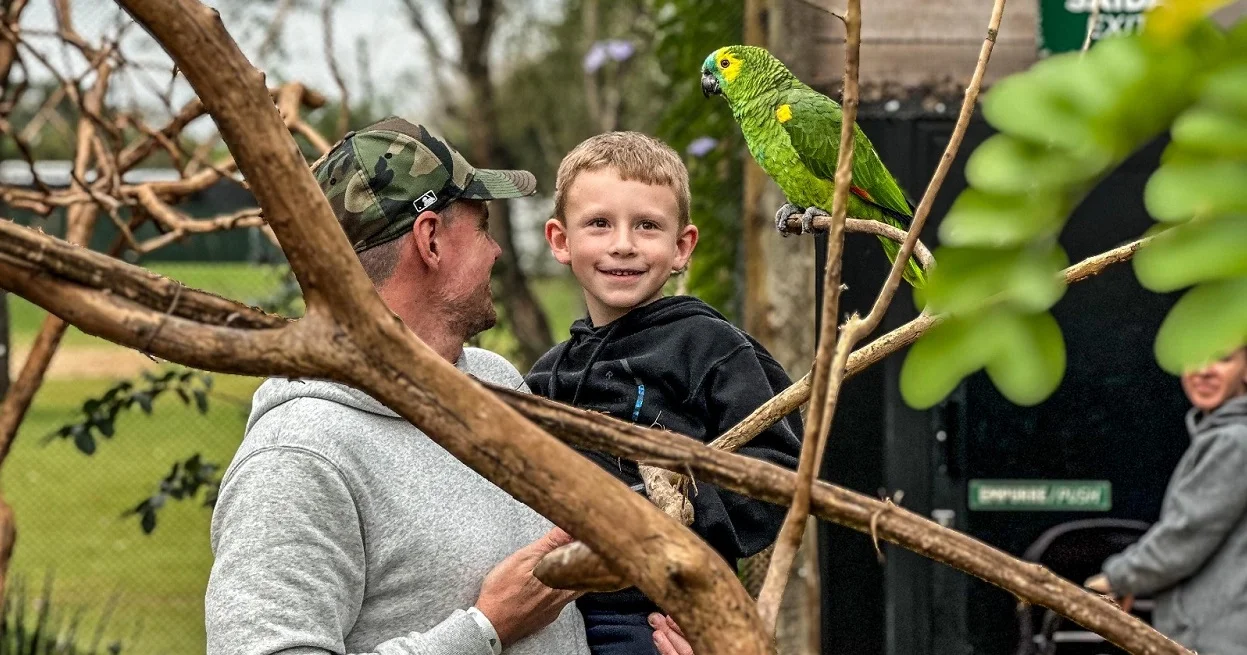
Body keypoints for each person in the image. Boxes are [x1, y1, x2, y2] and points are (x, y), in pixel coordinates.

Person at [204, 116, 592, 655]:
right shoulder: (299, 458)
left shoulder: (495, 384)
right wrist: (483, 630)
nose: (496, 251)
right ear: (430, 240)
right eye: (481, 227)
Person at [526, 131, 804, 655]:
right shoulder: (547, 377)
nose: (623, 244)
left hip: (660, 613)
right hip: (559, 604)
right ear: (561, 241)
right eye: (599, 224)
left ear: (682, 247)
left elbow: (782, 465)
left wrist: (678, 507)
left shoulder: (709, 347)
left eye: (647, 226)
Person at [1086, 344, 1247, 655]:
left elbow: (1185, 535)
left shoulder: (1234, 441)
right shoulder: (1220, 435)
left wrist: (1119, 577)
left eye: (1223, 359)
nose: (1203, 370)